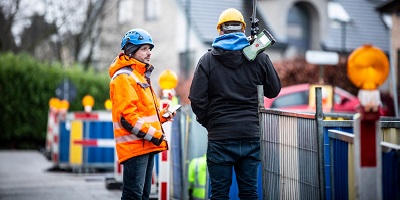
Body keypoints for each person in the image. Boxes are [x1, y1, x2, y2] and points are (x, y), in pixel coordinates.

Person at [188, 8, 281, 199]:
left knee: (219, 194)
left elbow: (197, 99)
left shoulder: (207, 60)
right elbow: (274, 90)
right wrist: (262, 57)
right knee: (249, 192)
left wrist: (211, 122)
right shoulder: (258, 56)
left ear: (220, 30)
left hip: (220, 137)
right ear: (243, 30)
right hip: (250, 135)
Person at [109, 28, 175, 200]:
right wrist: (156, 136)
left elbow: (143, 113)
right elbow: (128, 118)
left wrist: (162, 116)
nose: (149, 53)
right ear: (131, 51)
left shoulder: (139, 75)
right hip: (136, 147)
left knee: (143, 195)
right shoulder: (124, 77)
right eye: (144, 48)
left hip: (144, 145)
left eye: (149, 49)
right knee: (133, 196)